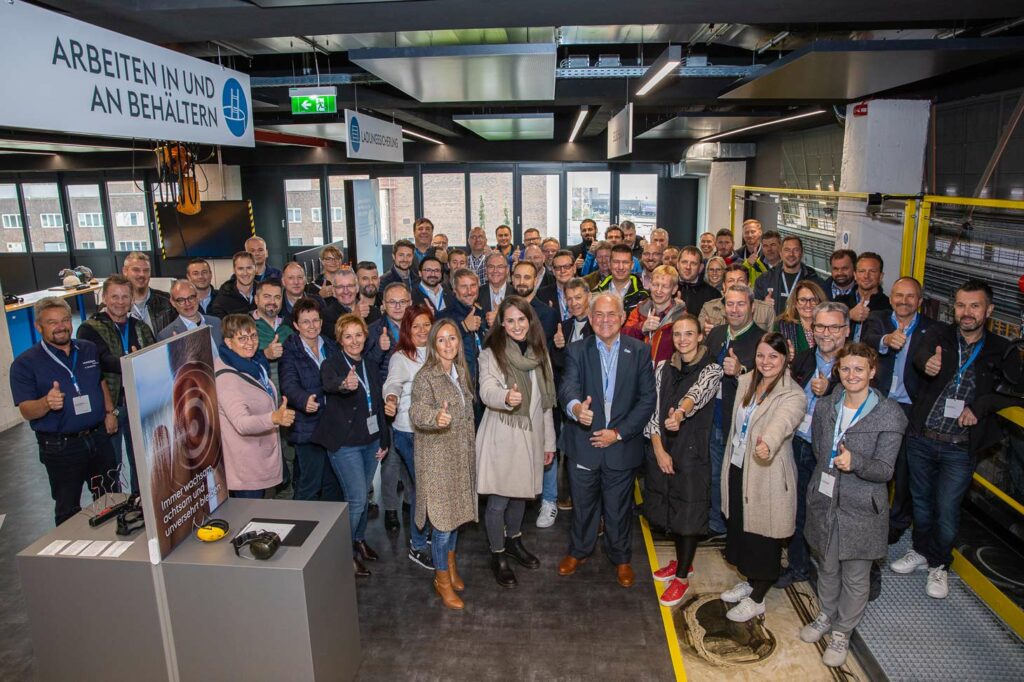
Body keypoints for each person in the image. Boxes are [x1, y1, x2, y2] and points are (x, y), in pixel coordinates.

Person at [892, 280, 1020, 598]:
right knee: (920, 503)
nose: (966, 312)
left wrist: (983, 404)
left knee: (947, 509)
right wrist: (926, 362)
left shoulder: (1000, 349)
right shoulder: (938, 335)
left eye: (974, 306)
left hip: (960, 448)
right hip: (922, 438)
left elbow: (1019, 390)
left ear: (988, 310)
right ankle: (921, 552)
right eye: (961, 305)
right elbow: (921, 354)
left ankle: (940, 565)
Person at [802, 343, 907, 667]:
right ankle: (826, 614)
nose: (851, 375)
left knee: (856, 576)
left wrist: (855, 461)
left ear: (872, 372)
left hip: (863, 508)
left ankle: (842, 631)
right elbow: (821, 451)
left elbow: (885, 470)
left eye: (859, 369)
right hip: (825, 499)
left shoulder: (890, 414)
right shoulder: (826, 404)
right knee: (828, 566)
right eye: (845, 369)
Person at [557, 293, 656, 587]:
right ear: (590, 318)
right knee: (583, 505)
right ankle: (579, 551)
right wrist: (576, 409)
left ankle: (621, 557)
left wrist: (619, 433)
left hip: (621, 446)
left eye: (611, 314)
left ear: (623, 317)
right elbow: (567, 388)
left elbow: (647, 399)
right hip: (584, 444)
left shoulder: (639, 351)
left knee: (618, 508)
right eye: (598, 315)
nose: (604, 320)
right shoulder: (576, 351)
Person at [720, 332, 807, 622]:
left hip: (766, 473)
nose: (766, 362)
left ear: (785, 358)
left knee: (764, 537)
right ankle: (750, 580)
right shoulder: (746, 382)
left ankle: (758, 597)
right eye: (761, 355)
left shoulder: (793, 394)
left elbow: (783, 423)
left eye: (773, 356)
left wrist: (767, 443)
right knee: (741, 529)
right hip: (738, 466)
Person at [11, 297, 119, 525]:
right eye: (52, 322)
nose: (61, 327)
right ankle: (72, 557)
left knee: (112, 497)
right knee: (68, 507)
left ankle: (117, 550)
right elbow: (26, 410)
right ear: (39, 327)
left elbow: (100, 382)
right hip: (62, 447)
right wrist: (46, 403)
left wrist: (110, 412)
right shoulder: (25, 364)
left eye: (65, 320)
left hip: (98, 437)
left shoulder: (87, 349)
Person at [476, 297, 556, 587]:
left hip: (532, 435)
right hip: (503, 434)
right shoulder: (491, 353)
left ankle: (514, 540)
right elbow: (486, 390)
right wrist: (505, 398)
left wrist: (549, 443)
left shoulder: (539, 353)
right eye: (510, 320)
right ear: (501, 323)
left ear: (530, 320)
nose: (517, 325)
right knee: (498, 500)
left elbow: (546, 404)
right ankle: (497, 554)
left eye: (521, 319)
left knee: (521, 494)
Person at [645, 315, 724, 606]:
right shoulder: (663, 367)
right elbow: (653, 412)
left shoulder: (712, 368)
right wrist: (658, 449)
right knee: (669, 508)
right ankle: (682, 561)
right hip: (664, 449)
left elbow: (696, 395)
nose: (682, 339)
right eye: (678, 334)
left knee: (689, 514)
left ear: (700, 336)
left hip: (692, 453)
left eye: (689, 334)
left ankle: (681, 577)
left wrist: (679, 413)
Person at [860, 276, 937, 544]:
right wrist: (885, 340)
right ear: (891, 298)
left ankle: (897, 522)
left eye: (910, 296)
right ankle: (869, 513)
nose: (904, 301)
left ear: (920, 301)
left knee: (903, 467)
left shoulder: (932, 329)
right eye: (899, 296)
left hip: (909, 408)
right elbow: (867, 339)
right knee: (872, 461)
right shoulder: (879, 319)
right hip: (877, 403)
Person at [314, 313, 390, 577]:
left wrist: (384, 439)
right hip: (345, 445)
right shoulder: (331, 364)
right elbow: (330, 385)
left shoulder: (369, 365)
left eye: (358, 335)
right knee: (357, 499)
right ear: (340, 339)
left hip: (370, 442)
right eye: (348, 336)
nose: (354, 340)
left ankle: (358, 541)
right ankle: (343, 553)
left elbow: (378, 405)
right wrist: (344, 385)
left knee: (363, 498)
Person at [410, 319, 478, 609]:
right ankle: (441, 581)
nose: (448, 345)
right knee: (441, 526)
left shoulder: (460, 372)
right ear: (432, 344)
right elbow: (416, 411)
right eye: (442, 340)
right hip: (437, 461)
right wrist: (435, 417)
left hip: (459, 457)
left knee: (455, 520)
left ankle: (450, 568)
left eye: (453, 339)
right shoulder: (425, 377)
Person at [781, 301, 848, 587]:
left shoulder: (854, 364)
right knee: (797, 508)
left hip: (834, 453)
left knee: (834, 513)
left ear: (846, 330)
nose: (826, 333)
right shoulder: (805, 358)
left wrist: (831, 388)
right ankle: (798, 566)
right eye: (820, 326)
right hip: (799, 443)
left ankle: (851, 573)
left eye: (834, 326)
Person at [78, 275, 155, 495]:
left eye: (125, 297)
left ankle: (141, 504)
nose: (120, 302)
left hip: (139, 404)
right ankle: (115, 509)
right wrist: (133, 360)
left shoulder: (140, 327)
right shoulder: (89, 329)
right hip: (110, 406)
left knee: (143, 462)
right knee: (111, 465)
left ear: (132, 299)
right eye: (114, 296)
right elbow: (101, 361)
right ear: (104, 297)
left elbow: (152, 359)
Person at [704, 284, 764, 536]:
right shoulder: (716, 334)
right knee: (713, 474)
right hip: (712, 417)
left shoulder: (763, 340)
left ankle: (736, 527)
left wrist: (742, 371)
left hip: (741, 424)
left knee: (736, 477)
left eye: (741, 304)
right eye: (730, 304)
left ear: (752, 307)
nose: (735, 310)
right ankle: (716, 524)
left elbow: (770, 384)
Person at [214, 314, 295, 499]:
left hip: (260, 459)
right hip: (246, 468)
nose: (250, 343)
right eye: (242, 338)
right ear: (228, 342)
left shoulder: (254, 363)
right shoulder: (227, 378)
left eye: (253, 336)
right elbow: (241, 423)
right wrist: (273, 418)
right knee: (249, 522)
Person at [383, 305, 436, 567]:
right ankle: (417, 545)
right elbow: (392, 383)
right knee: (424, 490)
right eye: (416, 326)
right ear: (407, 329)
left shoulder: (439, 352)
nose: (422, 330)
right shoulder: (401, 357)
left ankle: (424, 534)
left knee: (421, 489)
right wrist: (390, 399)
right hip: (409, 432)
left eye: (426, 324)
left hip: (436, 431)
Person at [279, 298, 343, 502]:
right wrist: (304, 399)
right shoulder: (290, 350)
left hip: (332, 426)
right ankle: (302, 529)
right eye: (305, 322)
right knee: (310, 484)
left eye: (315, 320)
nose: (311, 326)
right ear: (296, 325)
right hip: (307, 429)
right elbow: (288, 384)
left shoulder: (331, 346)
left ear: (321, 322)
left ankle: (332, 531)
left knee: (333, 483)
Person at [368, 285, 415, 534]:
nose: (398, 306)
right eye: (392, 302)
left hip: (413, 405)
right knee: (391, 460)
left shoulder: (417, 327)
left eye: (402, 301)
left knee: (410, 457)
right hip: (387, 404)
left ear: (410, 302)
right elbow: (367, 367)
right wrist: (379, 348)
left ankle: (409, 501)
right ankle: (390, 510)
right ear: (383, 304)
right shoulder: (374, 330)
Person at [623, 264, 686, 366]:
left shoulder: (682, 318)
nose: (659, 290)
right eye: (655, 284)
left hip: (667, 373)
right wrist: (642, 327)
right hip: (638, 370)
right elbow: (623, 337)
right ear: (649, 284)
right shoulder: (640, 310)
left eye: (665, 286)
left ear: (674, 289)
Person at [438, 269, 488, 380]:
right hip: (459, 382)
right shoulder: (444, 317)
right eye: (464, 287)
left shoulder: (481, 312)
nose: (469, 291)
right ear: (455, 290)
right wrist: (464, 327)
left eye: (473, 285)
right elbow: (437, 347)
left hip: (482, 380)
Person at [754, 235, 823, 316]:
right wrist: (763, 306)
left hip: (802, 327)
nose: (791, 254)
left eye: (796, 250)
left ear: (802, 253)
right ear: (781, 253)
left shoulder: (814, 281)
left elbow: (822, 311)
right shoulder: (764, 280)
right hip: (774, 327)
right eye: (787, 250)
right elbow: (754, 312)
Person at [699, 263, 776, 331]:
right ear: (724, 286)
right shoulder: (708, 308)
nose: (735, 284)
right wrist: (705, 334)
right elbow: (698, 340)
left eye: (740, 280)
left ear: (749, 285)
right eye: (731, 281)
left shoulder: (766, 311)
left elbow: (772, 343)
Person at [158, 279, 223, 347]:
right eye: (181, 300)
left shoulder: (216, 322)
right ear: (173, 303)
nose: (188, 303)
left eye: (191, 297)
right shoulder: (166, 336)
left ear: (197, 297)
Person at [122, 251, 175, 333]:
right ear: (125, 271)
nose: (142, 275)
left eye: (146, 270)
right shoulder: (116, 305)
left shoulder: (167, 300)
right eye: (136, 270)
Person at [842, 252, 891, 341]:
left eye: (872, 271)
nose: (866, 276)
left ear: (881, 276)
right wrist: (849, 315)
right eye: (861, 271)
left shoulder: (888, 306)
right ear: (855, 275)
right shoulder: (840, 301)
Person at [774, 280, 828, 356]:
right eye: (802, 300)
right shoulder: (781, 325)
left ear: (820, 302)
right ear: (795, 303)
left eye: (813, 300)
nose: (808, 305)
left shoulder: (829, 325)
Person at [510, 261, 559, 342]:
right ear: (512, 279)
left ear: (535, 281)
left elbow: (538, 345)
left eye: (527, 277)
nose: (521, 282)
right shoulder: (505, 310)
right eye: (518, 277)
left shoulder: (548, 313)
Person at [595, 244, 648, 313]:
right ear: (609, 264)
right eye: (616, 262)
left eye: (625, 262)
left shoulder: (643, 297)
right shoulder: (596, 294)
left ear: (632, 265)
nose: (621, 267)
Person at [208, 251, 258, 318]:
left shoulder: (264, 291)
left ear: (255, 269)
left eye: (249, 268)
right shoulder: (223, 297)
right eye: (240, 269)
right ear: (234, 270)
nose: (245, 273)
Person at [676, 246, 719, 316]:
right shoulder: (666, 289)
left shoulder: (713, 295)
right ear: (677, 265)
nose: (688, 267)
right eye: (684, 262)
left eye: (693, 263)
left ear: (701, 268)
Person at [537, 250, 577, 322]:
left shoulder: (585, 292)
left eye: (566, 266)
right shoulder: (541, 295)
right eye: (558, 267)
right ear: (553, 270)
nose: (562, 271)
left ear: (574, 268)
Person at [281, 262, 321, 326]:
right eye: (291, 278)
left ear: (305, 280)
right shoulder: (277, 305)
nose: (296, 282)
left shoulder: (319, 302)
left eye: (299, 277)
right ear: (283, 281)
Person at [478, 250, 510, 325]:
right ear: (486, 270)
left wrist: (500, 319)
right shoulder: (477, 294)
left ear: (507, 270)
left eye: (500, 267)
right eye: (491, 267)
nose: (495, 271)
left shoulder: (516, 294)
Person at [735, 219, 769, 285]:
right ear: (743, 234)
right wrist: (747, 264)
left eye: (753, 232)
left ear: (760, 232)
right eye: (746, 232)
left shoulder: (767, 254)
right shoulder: (737, 254)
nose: (750, 235)